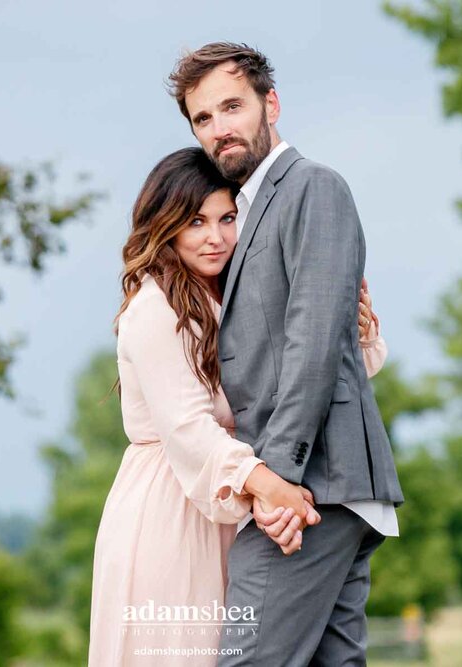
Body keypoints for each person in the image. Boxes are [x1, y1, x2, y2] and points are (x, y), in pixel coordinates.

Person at [87, 147, 389, 665]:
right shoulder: (154, 307)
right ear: (165, 226)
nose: (216, 237)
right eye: (196, 221)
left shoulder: (234, 294)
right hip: (175, 507)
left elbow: (293, 372)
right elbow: (189, 431)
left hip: (236, 497)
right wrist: (276, 490)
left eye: (227, 218)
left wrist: (355, 335)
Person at [169, 42, 405, 666]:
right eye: (202, 118)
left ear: (270, 104)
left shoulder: (313, 188)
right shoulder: (248, 213)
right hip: (324, 488)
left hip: (313, 487)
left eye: (232, 106)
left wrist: (279, 483)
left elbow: (312, 344)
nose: (219, 129)